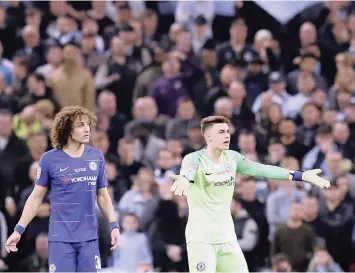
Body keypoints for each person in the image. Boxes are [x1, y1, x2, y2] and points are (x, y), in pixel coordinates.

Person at [169, 115, 331, 273]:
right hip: (202, 234)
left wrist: (301, 175)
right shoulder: (194, 159)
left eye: (227, 132)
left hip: (225, 233)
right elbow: (188, 170)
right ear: (208, 136)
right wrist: (184, 179)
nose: (227, 136)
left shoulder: (232, 158)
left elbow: (265, 170)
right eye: (221, 132)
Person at [4, 106, 120, 272]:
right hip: (61, 239)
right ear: (66, 129)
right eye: (80, 125)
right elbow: (36, 198)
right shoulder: (49, 159)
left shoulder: (96, 156)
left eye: (88, 124)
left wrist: (114, 225)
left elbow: (102, 195)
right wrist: (18, 230)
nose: (87, 129)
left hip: (88, 238)